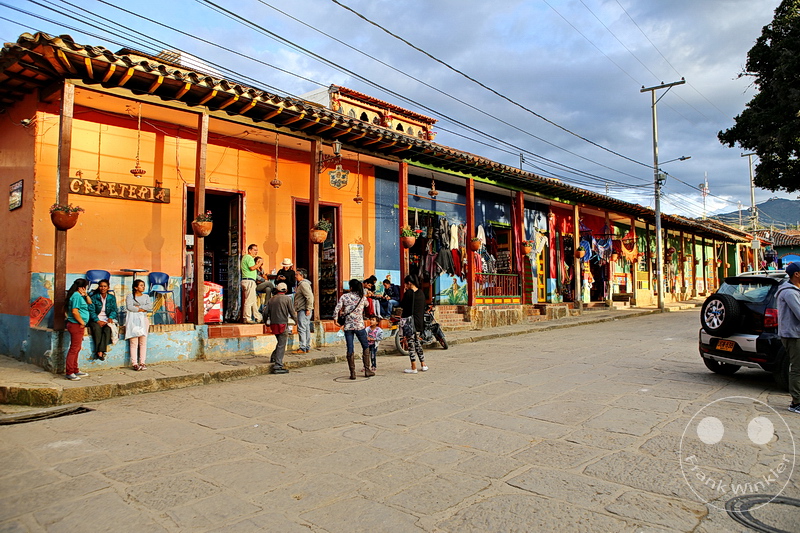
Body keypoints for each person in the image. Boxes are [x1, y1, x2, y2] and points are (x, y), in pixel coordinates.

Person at [334, 279, 372, 379]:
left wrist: (335, 319)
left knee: (350, 348)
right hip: (359, 326)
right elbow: (367, 305)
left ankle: (352, 373)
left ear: (351, 287)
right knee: (365, 346)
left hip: (348, 327)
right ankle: (367, 370)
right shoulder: (362, 297)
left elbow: (337, 308)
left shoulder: (344, 296)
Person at [776, 262, 800, 414]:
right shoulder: (790, 293)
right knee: (797, 369)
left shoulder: (794, 290)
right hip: (794, 335)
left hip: (795, 334)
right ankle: (796, 402)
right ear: (796, 274)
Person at [265, 282, 297, 374]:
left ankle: (274, 357)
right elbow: (292, 312)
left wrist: (265, 322)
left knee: (280, 342)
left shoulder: (271, 299)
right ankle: (278, 365)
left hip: (273, 324)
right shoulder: (287, 299)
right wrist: (296, 321)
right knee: (282, 344)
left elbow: (265, 312)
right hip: (283, 323)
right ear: (286, 290)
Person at [64, 279, 92, 380]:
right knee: (74, 348)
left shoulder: (80, 296)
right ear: (82, 287)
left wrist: (85, 294)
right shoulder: (76, 296)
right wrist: (82, 322)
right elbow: (75, 311)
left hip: (79, 325)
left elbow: (90, 302)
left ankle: (75, 369)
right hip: (76, 324)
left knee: (77, 348)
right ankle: (70, 372)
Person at [400, 274, 427, 374]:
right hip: (419, 322)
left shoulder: (408, 293)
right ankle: (423, 364)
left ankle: (413, 367)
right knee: (417, 342)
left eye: (406, 284)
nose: (405, 286)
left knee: (411, 344)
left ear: (409, 283)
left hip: (410, 322)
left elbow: (403, 305)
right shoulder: (421, 293)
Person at [125, 279, 153, 371]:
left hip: (143, 319)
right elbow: (129, 307)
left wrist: (138, 307)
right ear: (135, 287)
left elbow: (149, 306)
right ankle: (134, 363)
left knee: (143, 342)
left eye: (143, 285)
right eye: (141, 285)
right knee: (134, 342)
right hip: (133, 320)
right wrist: (140, 309)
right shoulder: (130, 296)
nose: (143, 287)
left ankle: (142, 362)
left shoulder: (146, 296)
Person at [88, 279, 118, 361]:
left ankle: (99, 351)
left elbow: (114, 310)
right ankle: (100, 352)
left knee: (107, 329)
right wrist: (97, 320)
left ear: (108, 287)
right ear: (99, 287)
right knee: (96, 329)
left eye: (105, 286)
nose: (103, 288)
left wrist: (110, 317)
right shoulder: (94, 298)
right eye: (101, 286)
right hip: (95, 320)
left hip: (106, 319)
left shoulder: (111, 298)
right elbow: (91, 311)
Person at [293, 268, 314, 354]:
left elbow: (309, 297)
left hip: (303, 309)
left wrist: (308, 308)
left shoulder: (303, 284)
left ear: (302, 275)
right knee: (306, 328)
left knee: (302, 328)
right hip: (304, 309)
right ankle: (306, 346)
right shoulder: (303, 284)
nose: (295, 276)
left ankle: (302, 347)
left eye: (297, 274)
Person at [241, 244, 263, 323]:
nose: (256, 252)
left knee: (253, 301)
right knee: (249, 300)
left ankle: (258, 317)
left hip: (248, 280)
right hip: (249, 280)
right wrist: (259, 263)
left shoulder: (246, 257)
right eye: (254, 250)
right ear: (250, 250)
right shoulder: (249, 257)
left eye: (257, 250)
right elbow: (252, 268)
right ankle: (247, 318)